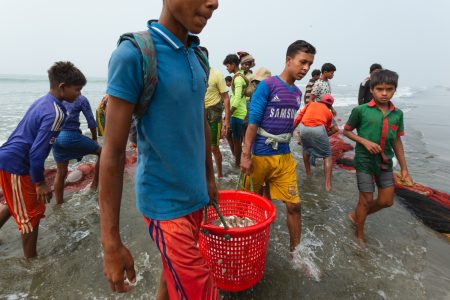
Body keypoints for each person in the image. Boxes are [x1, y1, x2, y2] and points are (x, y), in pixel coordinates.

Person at [99, 0, 219, 298]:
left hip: (195, 197)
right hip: (165, 205)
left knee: (172, 276)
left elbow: (199, 120)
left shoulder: (198, 55)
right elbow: (112, 152)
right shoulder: (134, 55)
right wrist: (111, 243)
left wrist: (209, 177)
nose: (215, 3)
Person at [0, 61, 86, 258]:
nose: (79, 94)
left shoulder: (42, 101)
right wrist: (39, 183)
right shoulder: (56, 113)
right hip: (18, 164)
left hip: (9, 158)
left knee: (14, 202)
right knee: (30, 216)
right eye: (77, 89)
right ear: (62, 87)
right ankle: (31, 260)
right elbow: (36, 153)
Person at [241, 40, 316, 253]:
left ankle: (296, 254)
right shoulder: (267, 86)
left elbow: (288, 123)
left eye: (309, 64)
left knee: (294, 205)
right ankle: (248, 247)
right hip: (259, 156)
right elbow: (253, 122)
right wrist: (246, 156)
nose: (305, 68)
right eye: (302, 62)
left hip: (284, 156)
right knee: (249, 206)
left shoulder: (297, 94)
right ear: (288, 60)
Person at [343, 69, 412, 244]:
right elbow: (347, 131)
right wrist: (364, 142)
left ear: (394, 90)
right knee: (365, 200)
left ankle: (355, 215)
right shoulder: (361, 110)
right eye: (380, 89)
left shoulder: (398, 114)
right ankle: (359, 236)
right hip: (365, 161)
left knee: (386, 201)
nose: (384, 93)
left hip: (385, 161)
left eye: (389, 89)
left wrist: (404, 168)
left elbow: (397, 141)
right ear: (372, 90)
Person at [52, 94, 101, 204]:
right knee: (102, 153)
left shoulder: (55, 97)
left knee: (61, 172)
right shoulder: (81, 98)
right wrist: (94, 138)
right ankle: (95, 184)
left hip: (55, 138)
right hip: (70, 136)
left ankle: (59, 202)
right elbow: (91, 121)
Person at [294, 94, 338, 192]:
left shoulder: (310, 104)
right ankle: (327, 185)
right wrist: (319, 138)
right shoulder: (329, 113)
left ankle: (308, 174)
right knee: (327, 155)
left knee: (305, 149)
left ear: (320, 100)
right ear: (330, 105)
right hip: (319, 129)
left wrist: (290, 129)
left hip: (304, 128)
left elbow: (298, 118)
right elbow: (326, 129)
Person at [200, 46, 231, 178]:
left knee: (213, 147)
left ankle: (220, 175)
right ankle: (204, 175)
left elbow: (226, 98)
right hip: (198, 113)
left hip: (214, 113)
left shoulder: (216, 74)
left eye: (204, 56)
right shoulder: (193, 73)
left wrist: (226, 121)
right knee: (199, 148)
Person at [223, 53, 247, 167]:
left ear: (233, 64)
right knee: (229, 136)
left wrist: (228, 114)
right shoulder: (239, 76)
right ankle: (237, 157)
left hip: (238, 114)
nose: (227, 68)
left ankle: (238, 164)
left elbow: (237, 99)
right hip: (237, 113)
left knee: (237, 140)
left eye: (227, 66)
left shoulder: (238, 79)